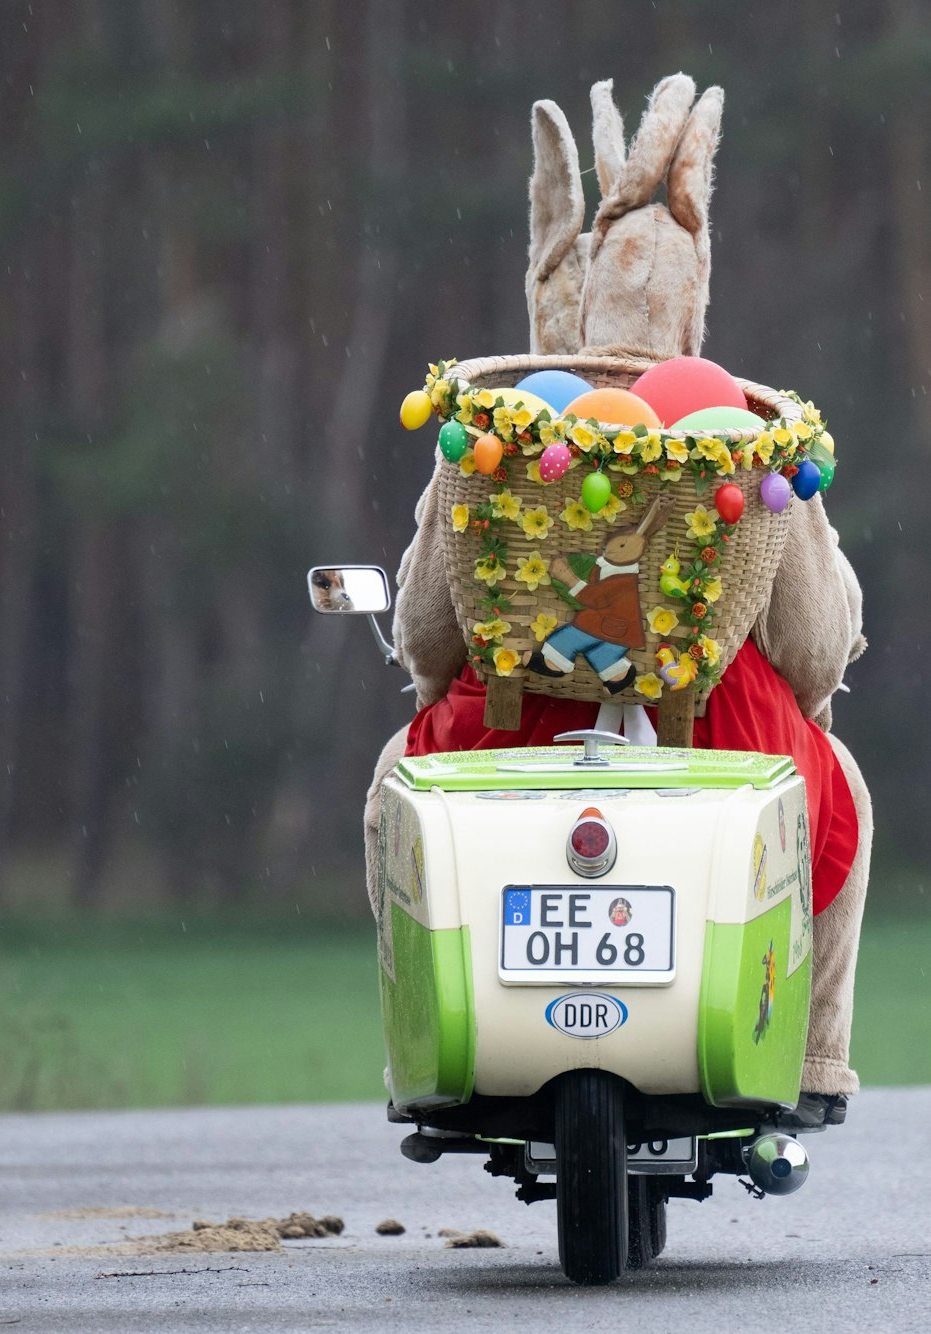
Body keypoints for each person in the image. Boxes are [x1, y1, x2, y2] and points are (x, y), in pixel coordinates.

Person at [365, 74, 871, 1127]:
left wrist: (446, 675)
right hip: (721, 739)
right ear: (696, 304)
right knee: (847, 794)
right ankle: (815, 1058)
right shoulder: (747, 444)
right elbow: (816, 652)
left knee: (391, 788)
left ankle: (424, 1047)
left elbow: (424, 628)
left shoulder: (498, 437)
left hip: (513, 737)